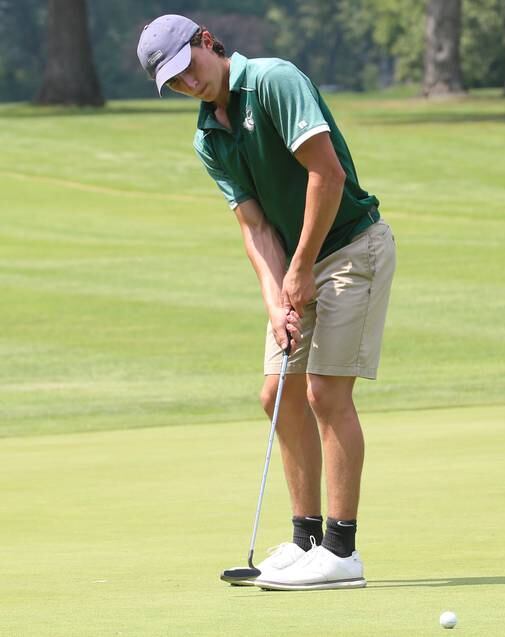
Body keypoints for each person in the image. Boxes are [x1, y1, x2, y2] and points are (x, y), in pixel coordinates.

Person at [137, 14, 395, 591]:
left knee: (325, 392)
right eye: (173, 83)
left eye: (189, 69)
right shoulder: (209, 137)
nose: (188, 85)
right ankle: (304, 540)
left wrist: (301, 268)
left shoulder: (275, 81)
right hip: (298, 263)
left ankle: (341, 550)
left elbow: (325, 175)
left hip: (352, 246)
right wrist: (276, 298)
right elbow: (253, 227)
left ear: (208, 41)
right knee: (277, 391)